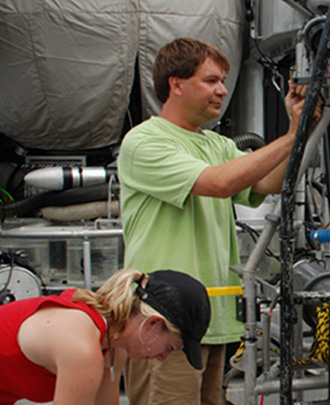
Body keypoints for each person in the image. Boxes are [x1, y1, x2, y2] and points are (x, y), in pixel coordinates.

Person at [117, 38, 312, 405]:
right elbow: (220, 184)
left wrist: (299, 127)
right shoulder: (145, 141)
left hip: (211, 317)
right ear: (176, 84)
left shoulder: (216, 145)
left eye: (223, 80)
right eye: (211, 81)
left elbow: (269, 183)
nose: (222, 90)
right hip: (164, 320)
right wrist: (289, 138)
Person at [0, 268, 210, 405]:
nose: (162, 357)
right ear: (153, 323)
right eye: (170, 348)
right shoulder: (81, 346)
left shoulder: (112, 344)